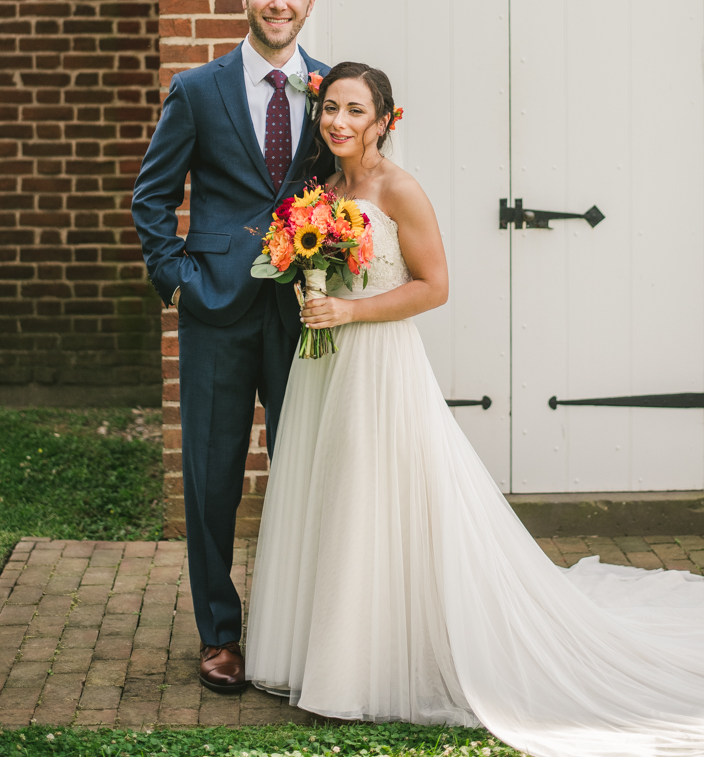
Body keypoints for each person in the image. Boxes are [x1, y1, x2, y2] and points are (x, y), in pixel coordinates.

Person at [246, 61, 704, 757]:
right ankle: (318, 651)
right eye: (330, 108)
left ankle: (366, 663)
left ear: (383, 121)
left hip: (377, 362)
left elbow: (435, 287)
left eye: (354, 111)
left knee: (376, 499)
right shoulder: (324, 190)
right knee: (326, 492)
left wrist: (348, 308)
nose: (338, 121)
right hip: (324, 367)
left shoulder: (400, 190)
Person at [131, 0, 331, 695]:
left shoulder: (330, 88)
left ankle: (301, 620)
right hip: (213, 309)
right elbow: (151, 197)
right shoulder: (198, 88)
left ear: (310, 2)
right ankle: (220, 633)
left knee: (304, 468)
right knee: (212, 480)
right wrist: (176, 279)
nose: (278, 2)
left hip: (302, 311)